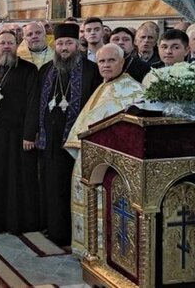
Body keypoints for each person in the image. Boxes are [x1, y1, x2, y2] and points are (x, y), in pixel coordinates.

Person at [63, 43, 145, 255]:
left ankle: (106, 252)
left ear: (122, 63)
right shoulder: (104, 85)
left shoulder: (133, 90)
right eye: (102, 61)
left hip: (112, 164)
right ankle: (89, 249)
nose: (106, 65)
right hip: (91, 157)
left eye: (111, 60)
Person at [37, 23, 101, 246]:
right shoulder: (46, 70)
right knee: (51, 186)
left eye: (69, 43)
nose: (64, 48)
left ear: (77, 44)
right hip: (50, 141)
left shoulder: (91, 71)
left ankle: (74, 234)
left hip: (75, 142)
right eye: (61, 43)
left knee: (70, 188)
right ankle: (54, 230)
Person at [0, 31, 40, 233]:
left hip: (18, 135)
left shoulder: (29, 70)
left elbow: (33, 103)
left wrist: (29, 134)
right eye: (2, 42)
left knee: (17, 178)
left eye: (10, 43)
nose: (6, 46)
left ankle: (17, 222)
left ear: (17, 45)